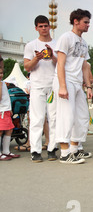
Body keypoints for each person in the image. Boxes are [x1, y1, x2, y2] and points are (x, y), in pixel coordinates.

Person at [53, 9, 93, 164]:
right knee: (66, 116)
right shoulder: (66, 37)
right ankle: (64, 154)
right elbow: (60, 63)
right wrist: (62, 86)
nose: (88, 25)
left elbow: (84, 66)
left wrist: (88, 86)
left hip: (77, 83)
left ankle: (74, 151)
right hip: (66, 81)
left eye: (89, 22)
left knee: (82, 117)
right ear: (76, 21)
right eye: (86, 22)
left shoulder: (84, 43)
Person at [23, 15, 58, 162]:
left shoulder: (57, 43)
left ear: (50, 26)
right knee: (37, 119)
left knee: (54, 118)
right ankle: (35, 150)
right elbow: (27, 67)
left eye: (46, 25)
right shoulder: (31, 45)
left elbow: (60, 64)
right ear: (36, 28)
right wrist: (36, 58)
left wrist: (51, 55)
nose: (44, 28)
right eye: (41, 26)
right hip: (37, 86)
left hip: (53, 85)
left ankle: (52, 148)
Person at [0, 67, 20, 161]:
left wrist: (10, 109)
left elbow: (6, 97)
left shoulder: (3, 83)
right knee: (0, 131)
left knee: (9, 130)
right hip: (1, 111)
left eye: (1, 73)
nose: (1, 75)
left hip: (6, 110)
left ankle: (6, 151)